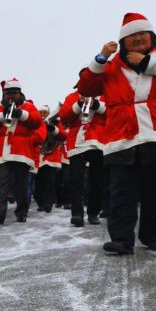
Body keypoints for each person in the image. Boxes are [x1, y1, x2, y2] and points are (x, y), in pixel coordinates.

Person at [77, 13, 156, 255]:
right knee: (122, 191)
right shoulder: (111, 64)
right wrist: (100, 58)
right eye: (131, 36)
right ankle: (121, 239)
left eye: (142, 34)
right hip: (122, 135)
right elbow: (86, 88)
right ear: (123, 41)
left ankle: (152, 235)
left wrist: (147, 62)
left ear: (151, 36)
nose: (138, 38)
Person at [0, 78, 43, 225]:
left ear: (19, 93)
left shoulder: (28, 106)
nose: (10, 96)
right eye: (8, 93)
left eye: (14, 93)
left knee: (21, 185)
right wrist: (2, 115)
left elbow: (37, 122)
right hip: (2, 151)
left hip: (22, 152)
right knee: (2, 183)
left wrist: (21, 114)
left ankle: (21, 212)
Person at [59, 88, 107, 227]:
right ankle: (77, 214)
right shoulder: (72, 96)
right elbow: (64, 117)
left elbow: (114, 113)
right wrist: (78, 105)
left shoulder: (106, 94)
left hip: (98, 141)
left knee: (97, 181)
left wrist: (97, 105)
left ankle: (93, 212)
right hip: (77, 143)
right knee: (76, 181)